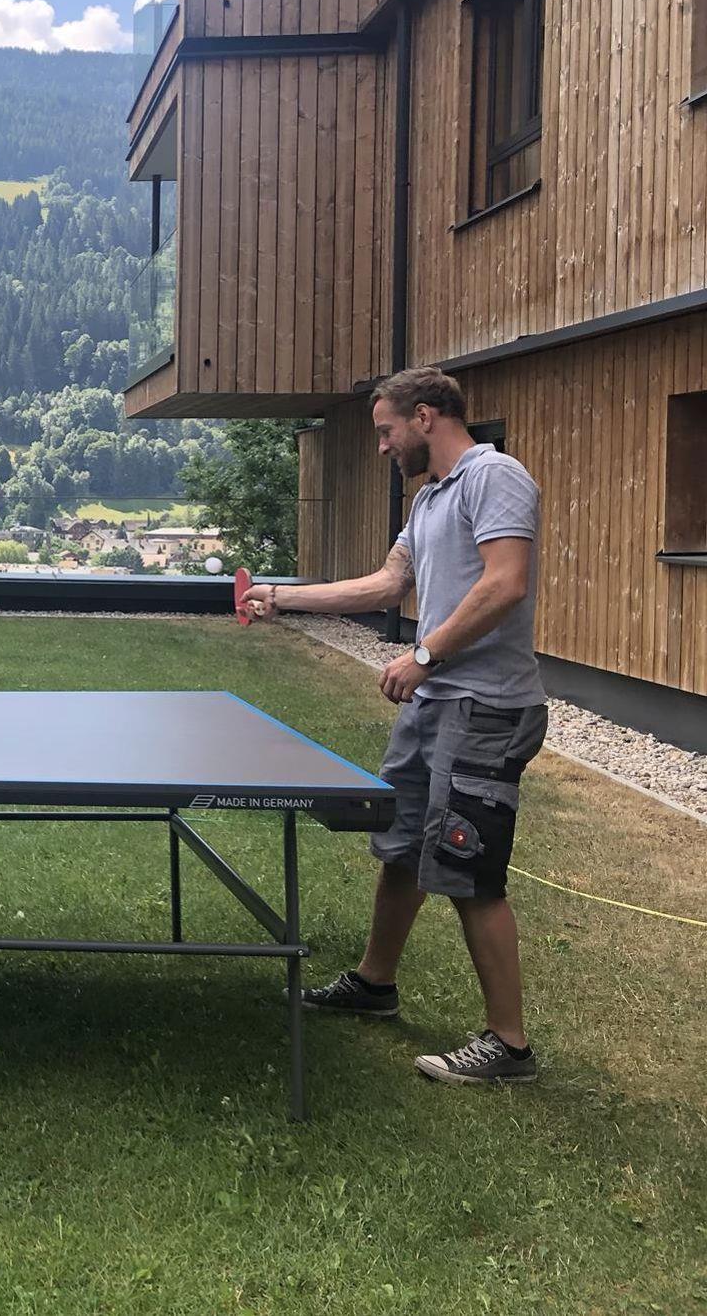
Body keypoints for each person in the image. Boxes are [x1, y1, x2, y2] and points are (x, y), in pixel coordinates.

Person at [242, 367, 546, 1083]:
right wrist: (282, 598)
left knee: (469, 868)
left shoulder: (493, 477)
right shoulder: (429, 498)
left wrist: (425, 654)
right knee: (403, 845)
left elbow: (506, 582)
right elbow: (385, 585)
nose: (382, 447)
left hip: (485, 708)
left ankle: (509, 1046)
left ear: (427, 416)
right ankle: (375, 984)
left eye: (386, 431)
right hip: (435, 704)